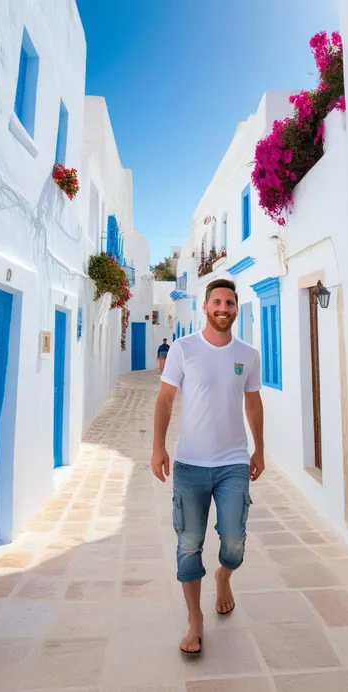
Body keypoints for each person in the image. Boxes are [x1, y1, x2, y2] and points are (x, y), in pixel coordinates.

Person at [151, 278, 265, 656]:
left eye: (229, 303)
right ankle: (194, 619)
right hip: (189, 464)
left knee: (234, 542)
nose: (223, 308)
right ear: (205, 306)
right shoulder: (184, 349)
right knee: (189, 544)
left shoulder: (247, 354)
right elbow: (166, 399)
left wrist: (259, 449)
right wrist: (158, 447)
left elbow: (253, 403)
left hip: (232, 461)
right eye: (216, 301)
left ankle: (224, 576)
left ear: (236, 308)